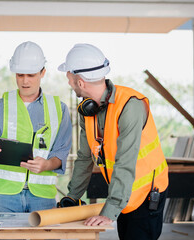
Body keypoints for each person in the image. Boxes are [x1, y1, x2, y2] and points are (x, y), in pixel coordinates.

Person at [58, 43, 169, 240]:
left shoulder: (130, 106)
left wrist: (110, 211)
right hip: (124, 195)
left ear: (80, 82)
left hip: (147, 195)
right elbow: (85, 158)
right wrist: (72, 197)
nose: (69, 84)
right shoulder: (88, 111)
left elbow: (125, 161)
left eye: (70, 79)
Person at [0, 41, 72, 213]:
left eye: (31, 75)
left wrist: (47, 164)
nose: (25, 81)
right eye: (20, 75)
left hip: (42, 195)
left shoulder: (59, 109)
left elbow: (61, 152)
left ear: (43, 72)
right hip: (3, 194)